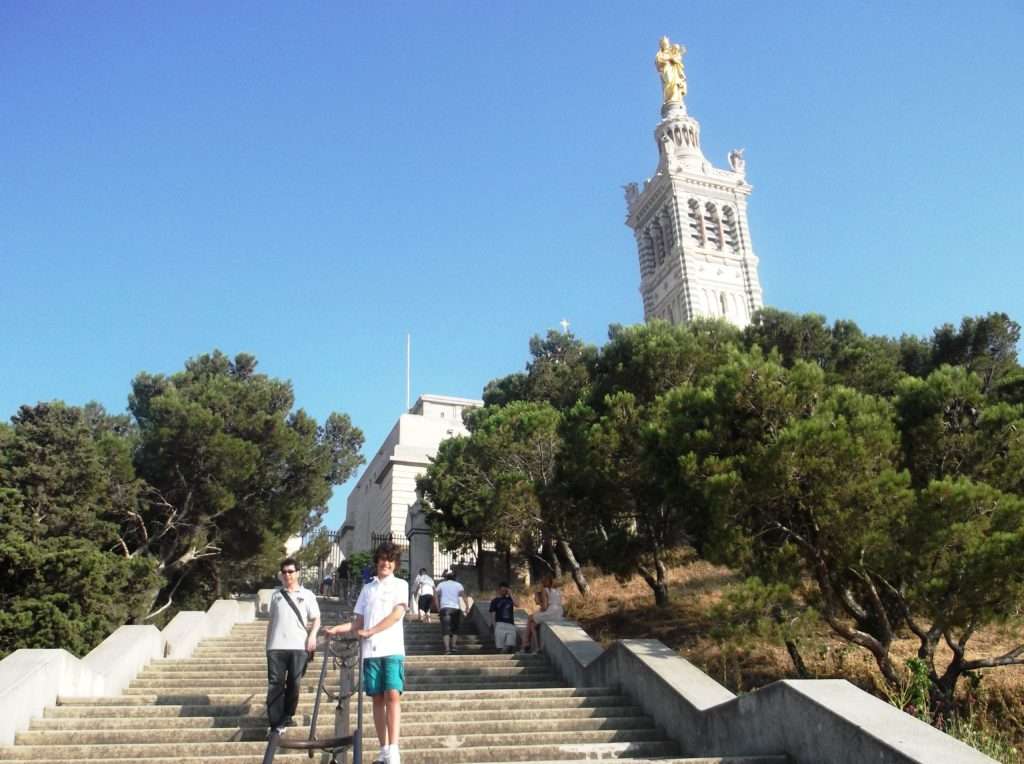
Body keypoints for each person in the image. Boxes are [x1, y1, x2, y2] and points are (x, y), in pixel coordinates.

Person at [323, 542, 408, 764]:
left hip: (392, 648)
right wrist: (336, 629)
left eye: (390, 560)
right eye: (382, 559)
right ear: (377, 562)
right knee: (377, 699)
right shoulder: (368, 588)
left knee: (392, 694)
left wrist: (372, 630)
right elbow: (357, 621)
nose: (386, 563)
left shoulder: (401, 585)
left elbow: (397, 614)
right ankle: (384, 748)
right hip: (370, 651)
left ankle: (394, 749)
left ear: (395, 564)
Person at [265, 558, 321, 736]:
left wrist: (312, 636)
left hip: (299, 646)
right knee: (275, 684)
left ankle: (287, 714)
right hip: (276, 647)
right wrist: (268, 645)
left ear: (297, 573)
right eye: (284, 572)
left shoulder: (308, 594)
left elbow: (316, 619)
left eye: (290, 571)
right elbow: (272, 621)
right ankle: (275, 724)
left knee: (294, 683)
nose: (287, 575)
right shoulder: (276, 595)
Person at [521, 574, 563, 654]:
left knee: (530, 618)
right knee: (533, 625)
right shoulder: (558, 590)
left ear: (543, 583)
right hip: (559, 611)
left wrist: (537, 600)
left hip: (551, 612)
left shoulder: (544, 590)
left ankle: (525, 643)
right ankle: (536, 648)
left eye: (542, 582)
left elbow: (544, 607)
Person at [433, 570, 468, 654]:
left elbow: (435, 595)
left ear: (446, 577)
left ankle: (447, 649)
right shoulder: (458, 585)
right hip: (455, 608)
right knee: (455, 629)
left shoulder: (441, 584)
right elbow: (464, 596)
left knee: (446, 629)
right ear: (455, 577)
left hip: (445, 608)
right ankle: (454, 646)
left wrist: (438, 607)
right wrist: (467, 607)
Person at [655, 35, 687, 104]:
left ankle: (675, 97)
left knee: (675, 82)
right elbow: (658, 61)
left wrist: (678, 54)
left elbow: (677, 57)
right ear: (661, 45)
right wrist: (669, 59)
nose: (666, 45)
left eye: (666, 43)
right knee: (669, 81)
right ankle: (669, 97)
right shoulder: (660, 54)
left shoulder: (671, 51)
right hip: (666, 68)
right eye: (664, 43)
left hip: (674, 69)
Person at [489, 582, 517, 653]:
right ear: (499, 589)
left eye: (505, 590)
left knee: (509, 645)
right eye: (502, 590)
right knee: (500, 647)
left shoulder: (510, 599)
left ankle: (503, 656)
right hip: (499, 624)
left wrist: (511, 594)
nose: (504, 592)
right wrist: (494, 626)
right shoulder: (494, 601)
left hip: (510, 624)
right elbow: (493, 614)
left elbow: (517, 604)